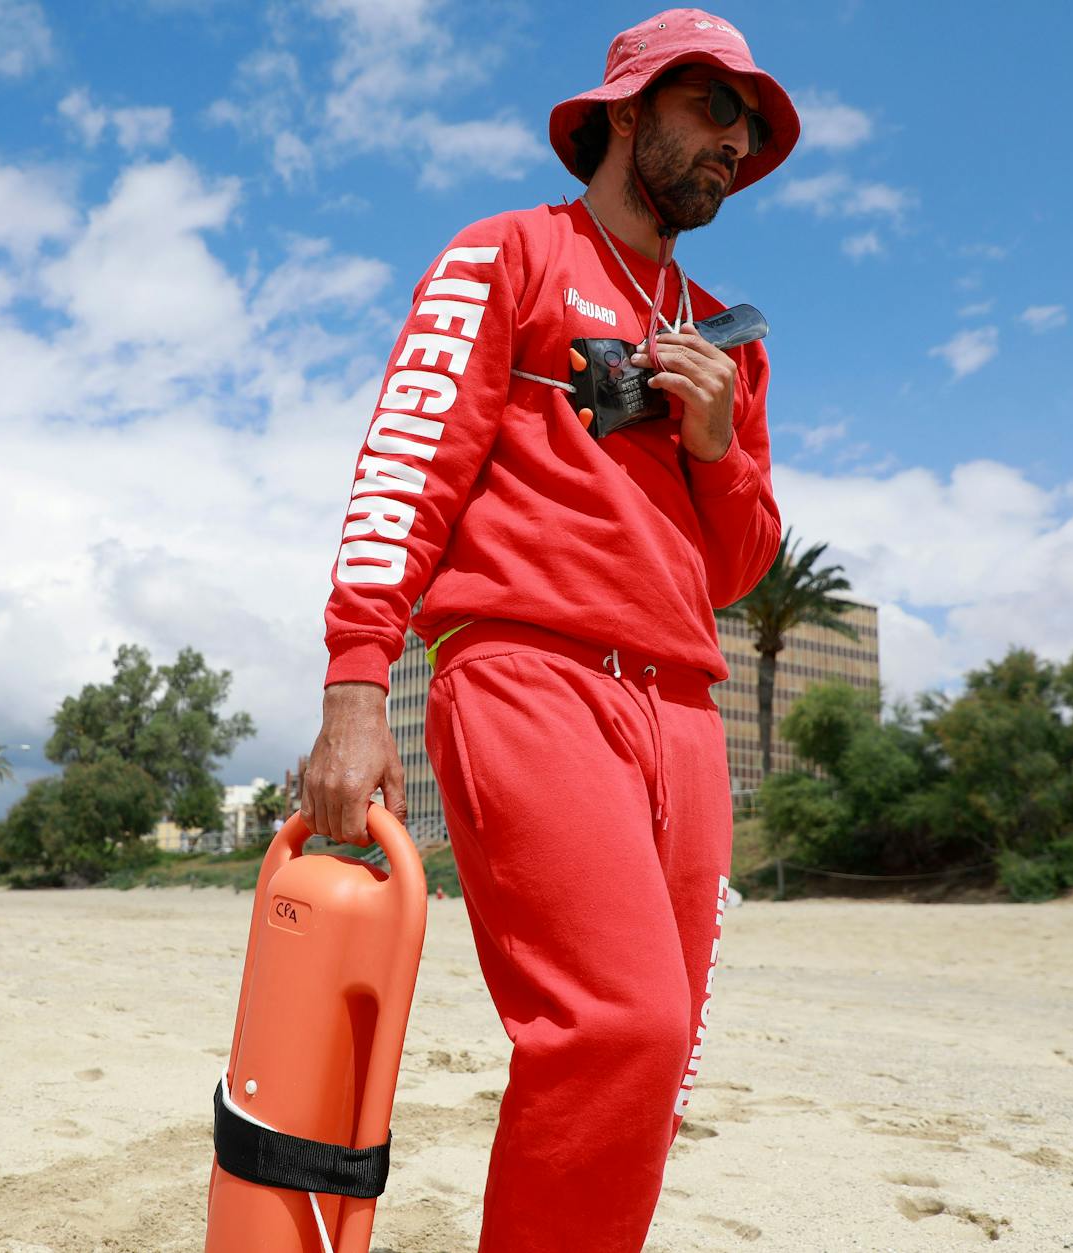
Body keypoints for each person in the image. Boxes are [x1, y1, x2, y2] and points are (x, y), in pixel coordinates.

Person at [299, 10, 797, 1250]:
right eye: (711, 109)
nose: (734, 142)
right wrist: (356, 686)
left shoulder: (724, 333)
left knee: (654, 1058)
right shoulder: (506, 254)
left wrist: (712, 441)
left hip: (682, 708)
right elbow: (405, 465)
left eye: (749, 125)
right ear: (626, 111)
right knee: (615, 1023)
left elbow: (735, 566)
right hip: (528, 674)